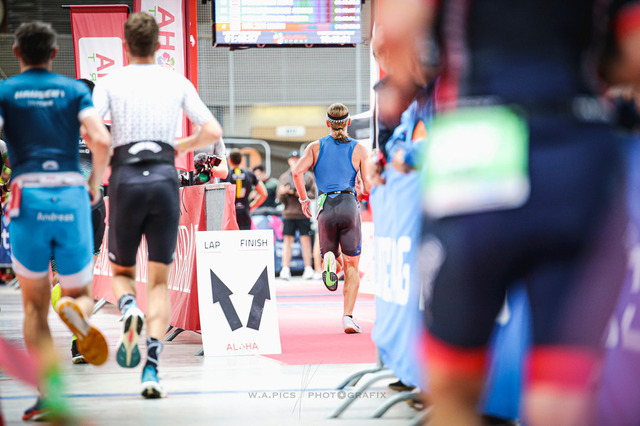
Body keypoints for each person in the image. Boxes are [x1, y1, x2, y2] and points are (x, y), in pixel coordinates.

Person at [373, 1, 634, 424]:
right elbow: (633, 50)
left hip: (480, 140)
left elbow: (396, 29)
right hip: (575, 149)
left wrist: (402, 85)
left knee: (453, 387)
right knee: (561, 394)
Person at [92, 12, 223, 399]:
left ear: (126, 45)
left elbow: (94, 132)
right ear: (159, 44)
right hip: (165, 179)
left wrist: (101, 169)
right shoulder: (176, 81)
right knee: (160, 281)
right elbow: (212, 131)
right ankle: (151, 369)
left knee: (122, 272)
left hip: (126, 179)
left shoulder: (110, 82)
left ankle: (128, 305)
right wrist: (179, 147)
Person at [0, 21, 111, 420]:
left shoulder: (6, 92)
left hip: (26, 197)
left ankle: (48, 394)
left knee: (33, 307)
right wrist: (94, 184)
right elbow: (101, 140)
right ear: (53, 54)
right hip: (71, 197)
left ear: (17, 53)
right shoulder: (75, 91)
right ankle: (75, 309)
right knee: (78, 290)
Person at [292, 103, 371, 333]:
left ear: (327, 123)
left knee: (333, 256)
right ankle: (348, 317)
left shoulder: (315, 147)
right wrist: (358, 184)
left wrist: (304, 200)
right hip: (348, 204)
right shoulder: (359, 149)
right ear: (349, 123)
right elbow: (367, 188)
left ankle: (329, 257)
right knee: (352, 266)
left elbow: (297, 172)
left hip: (325, 206)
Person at [50, 78, 108, 365]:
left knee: (60, 280)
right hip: (94, 206)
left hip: (60, 207)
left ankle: (76, 331)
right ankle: (79, 342)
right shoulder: (101, 129)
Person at [277, 150, 316, 280]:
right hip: (289, 213)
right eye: (292, 159)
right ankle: (285, 269)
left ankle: (308, 268)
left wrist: (296, 193)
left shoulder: (307, 176)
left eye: (297, 159)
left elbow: (313, 194)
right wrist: (283, 192)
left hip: (304, 213)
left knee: (306, 241)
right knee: (287, 241)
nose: (295, 161)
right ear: (289, 161)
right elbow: (279, 198)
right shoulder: (284, 177)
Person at [223, 148, 268, 230]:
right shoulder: (249, 174)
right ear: (241, 160)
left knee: (230, 237)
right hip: (245, 212)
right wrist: (252, 206)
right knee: (244, 237)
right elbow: (264, 194)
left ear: (229, 160)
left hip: (230, 214)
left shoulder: (226, 175)